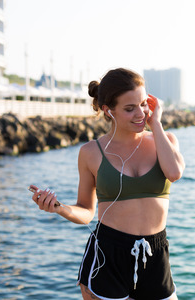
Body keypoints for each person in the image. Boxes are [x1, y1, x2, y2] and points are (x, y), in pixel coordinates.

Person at [30, 68, 185, 300]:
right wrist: (59, 208)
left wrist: (157, 124)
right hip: (107, 256)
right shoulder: (91, 153)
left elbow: (173, 173)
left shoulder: (164, 140)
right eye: (129, 108)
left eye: (143, 103)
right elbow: (86, 212)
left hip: (156, 255)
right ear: (108, 111)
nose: (141, 113)